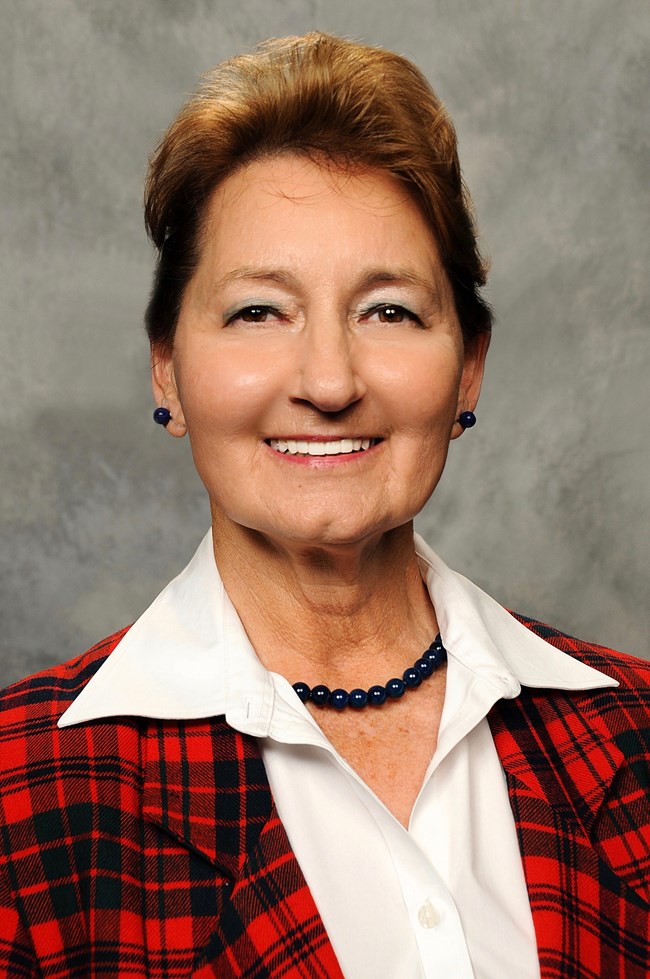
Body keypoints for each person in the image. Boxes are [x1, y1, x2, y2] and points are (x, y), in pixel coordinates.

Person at [0, 31, 648, 979]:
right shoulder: (22, 803)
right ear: (168, 370)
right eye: (259, 310)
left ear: (468, 368)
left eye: (389, 310)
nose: (330, 380)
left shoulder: (631, 733)